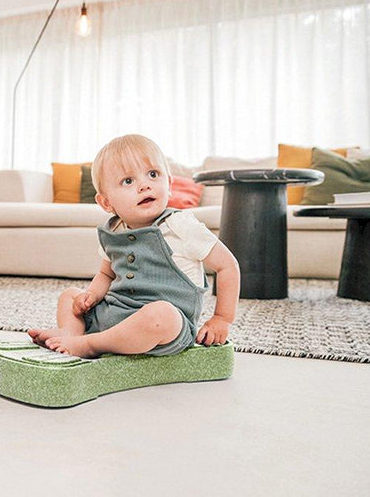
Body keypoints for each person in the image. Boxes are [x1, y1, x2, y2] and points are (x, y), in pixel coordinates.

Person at [28, 134, 240, 358]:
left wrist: (222, 318)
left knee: (161, 315)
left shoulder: (181, 226)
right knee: (70, 296)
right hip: (114, 313)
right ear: (106, 202)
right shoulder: (114, 230)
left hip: (163, 328)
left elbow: (227, 266)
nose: (145, 185)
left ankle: (90, 344)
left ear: (169, 184)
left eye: (153, 174)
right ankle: (70, 332)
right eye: (128, 181)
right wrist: (91, 295)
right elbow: (106, 274)